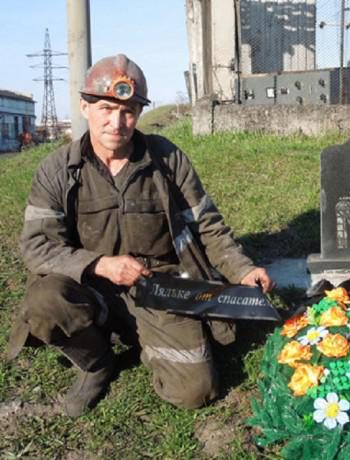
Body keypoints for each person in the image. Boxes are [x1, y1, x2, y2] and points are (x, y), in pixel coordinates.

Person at [5, 54, 275, 416]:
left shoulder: (166, 159)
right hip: (89, 287)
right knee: (44, 300)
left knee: (196, 390)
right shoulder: (56, 170)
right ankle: (96, 363)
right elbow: (37, 246)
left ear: (139, 113)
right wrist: (101, 265)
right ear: (85, 107)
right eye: (105, 108)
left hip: (160, 288)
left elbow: (207, 224)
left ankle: (144, 336)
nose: (117, 122)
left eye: (128, 111)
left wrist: (243, 269)